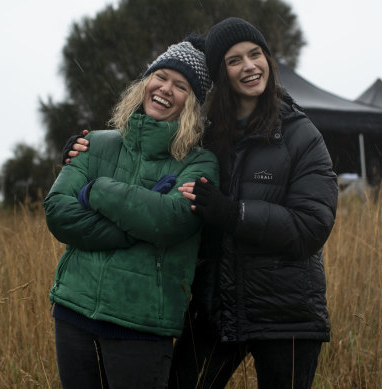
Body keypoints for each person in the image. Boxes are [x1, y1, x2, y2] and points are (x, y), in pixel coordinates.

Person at [63, 18, 338, 389]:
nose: (250, 66)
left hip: (284, 314)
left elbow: (312, 226)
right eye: (235, 60)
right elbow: (149, 158)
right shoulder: (207, 139)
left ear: (269, 61)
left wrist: (233, 214)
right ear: (221, 73)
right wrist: (82, 152)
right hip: (216, 309)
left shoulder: (301, 135)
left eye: (256, 54)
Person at [44, 36, 219, 389]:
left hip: (142, 326)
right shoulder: (93, 143)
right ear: (145, 83)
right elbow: (58, 212)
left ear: (192, 105)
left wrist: (97, 190)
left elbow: (171, 220)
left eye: (181, 85)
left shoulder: (201, 163)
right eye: (161, 77)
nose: (166, 89)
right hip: (73, 313)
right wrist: (132, 226)